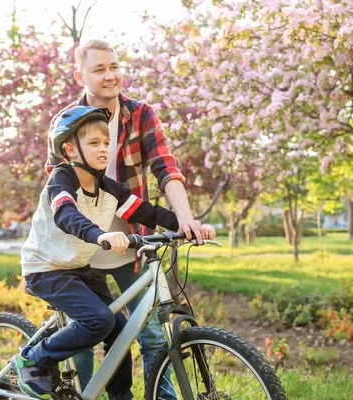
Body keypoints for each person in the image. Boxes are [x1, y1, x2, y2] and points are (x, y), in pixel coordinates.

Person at [15, 105, 215, 399]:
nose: (103, 149)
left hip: (78, 267)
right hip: (46, 269)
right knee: (99, 321)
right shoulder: (62, 179)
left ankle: (120, 397)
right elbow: (66, 214)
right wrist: (99, 234)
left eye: (106, 142)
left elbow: (146, 212)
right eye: (93, 143)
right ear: (70, 149)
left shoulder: (109, 188)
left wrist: (187, 225)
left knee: (119, 329)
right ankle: (33, 359)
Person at [46, 39, 208, 398]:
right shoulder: (66, 123)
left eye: (114, 66)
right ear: (80, 76)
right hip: (83, 247)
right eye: (99, 69)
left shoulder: (142, 115)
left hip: (133, 245)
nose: (110, 75)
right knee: (85, 337)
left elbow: (167, 169)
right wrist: (89, 230)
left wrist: (185, 220)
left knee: (152, 336)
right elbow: (56, 184)